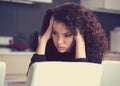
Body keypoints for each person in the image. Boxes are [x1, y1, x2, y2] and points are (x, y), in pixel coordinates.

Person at [29, 2, 108, 67]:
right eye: (55, 33)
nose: (59, 41)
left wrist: (80, 42)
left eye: (67, 35)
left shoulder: (93, 52)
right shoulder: (49, 46)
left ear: (81, 33)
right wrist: (43, 40)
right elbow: (33, 77)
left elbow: (83, 81)